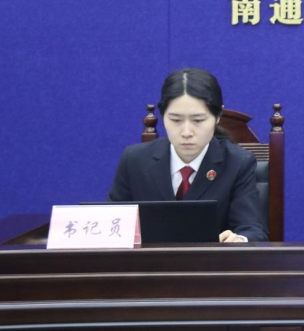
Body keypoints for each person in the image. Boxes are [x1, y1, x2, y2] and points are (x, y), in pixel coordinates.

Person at [108, 68, 268, 242]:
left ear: (218, 116)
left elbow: (253, 230)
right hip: (151, 259)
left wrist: (239, 240)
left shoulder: (238, 162)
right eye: (176, 120)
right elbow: (110, 224)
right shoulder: (134, 160)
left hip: (211, 259)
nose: (186, 132)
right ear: (163, 116)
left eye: (198, 120)